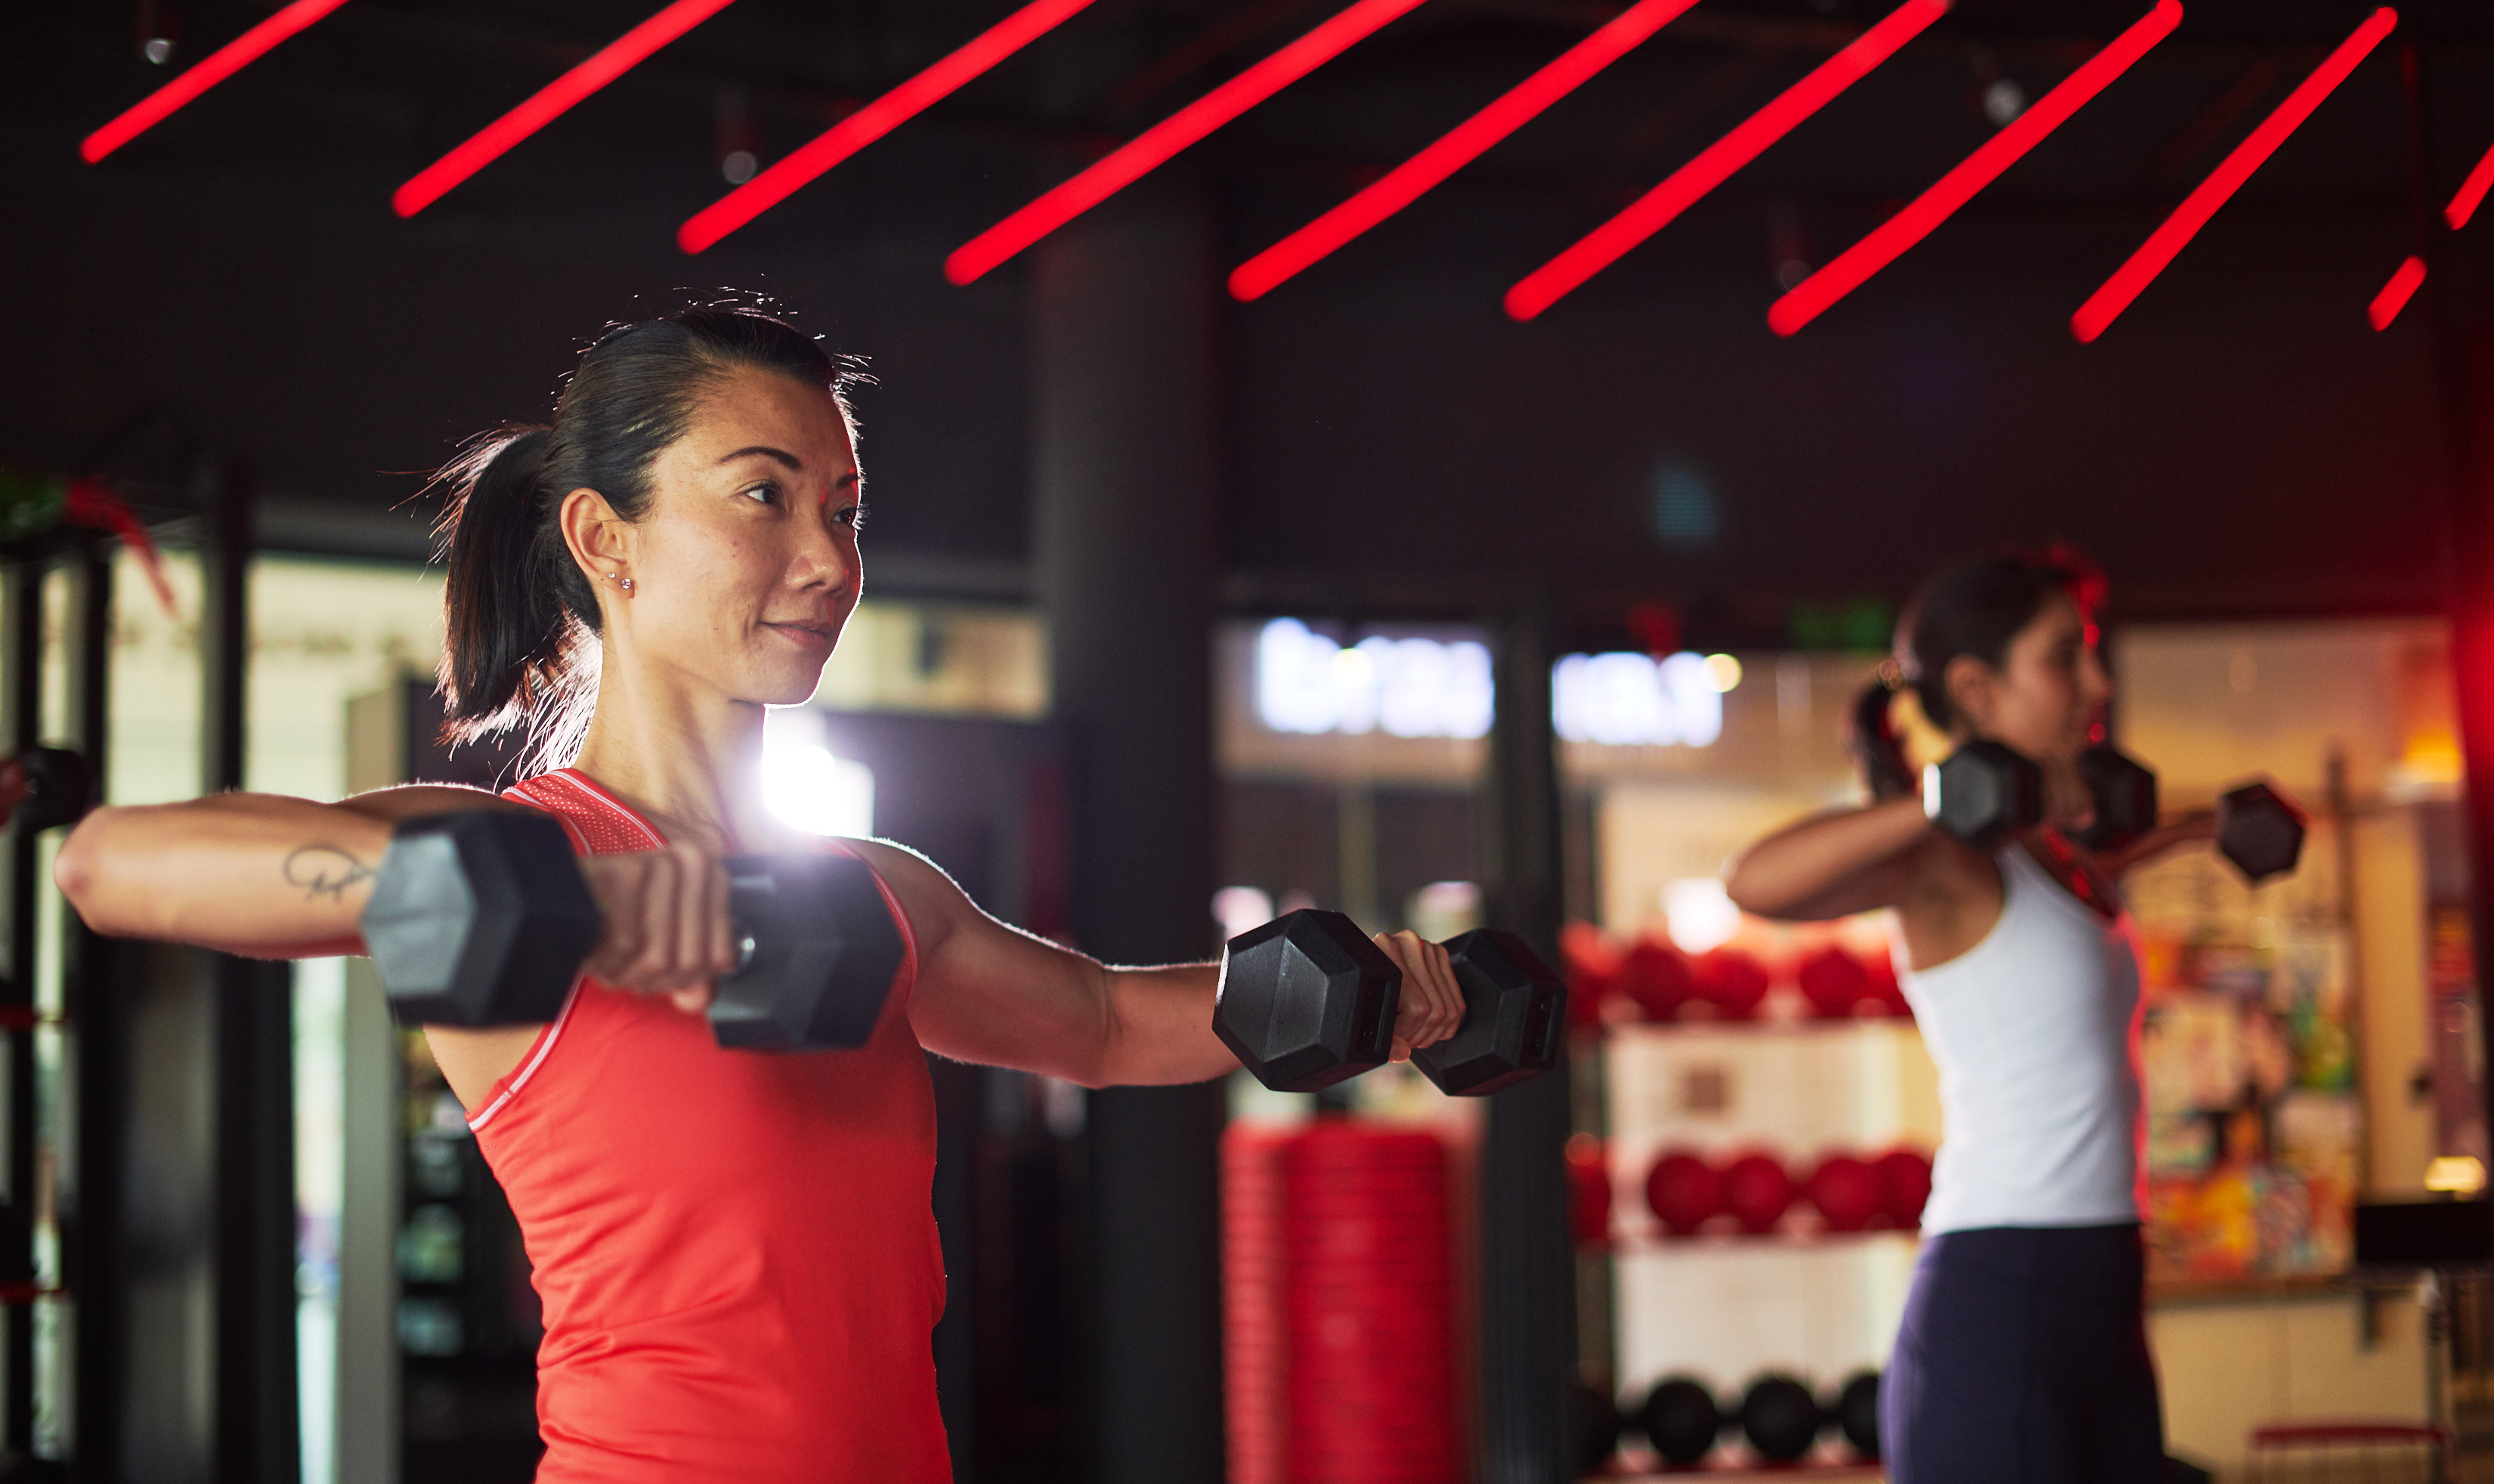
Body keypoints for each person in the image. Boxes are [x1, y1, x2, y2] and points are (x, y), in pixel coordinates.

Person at [54, 303, 1465, 1482]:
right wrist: (525, 896)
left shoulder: (879, 896)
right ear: (606, 540)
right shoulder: (539, 851)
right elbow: (110, 865)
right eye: (763, 497)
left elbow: (1099, 1022)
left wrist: (1366, 1003)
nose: (830, 561)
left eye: (845, 509)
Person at [1723, 550, 2207, 1484]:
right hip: (2002, 1296)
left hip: (2107, 1291)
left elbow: (2113, 868)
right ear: (1979, 690)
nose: (2097, 683)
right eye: (2065, 656)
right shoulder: (1942, 858)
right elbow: (1753, 882)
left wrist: (2208, 828)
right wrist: (1940, 796)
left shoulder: (2056, 859)